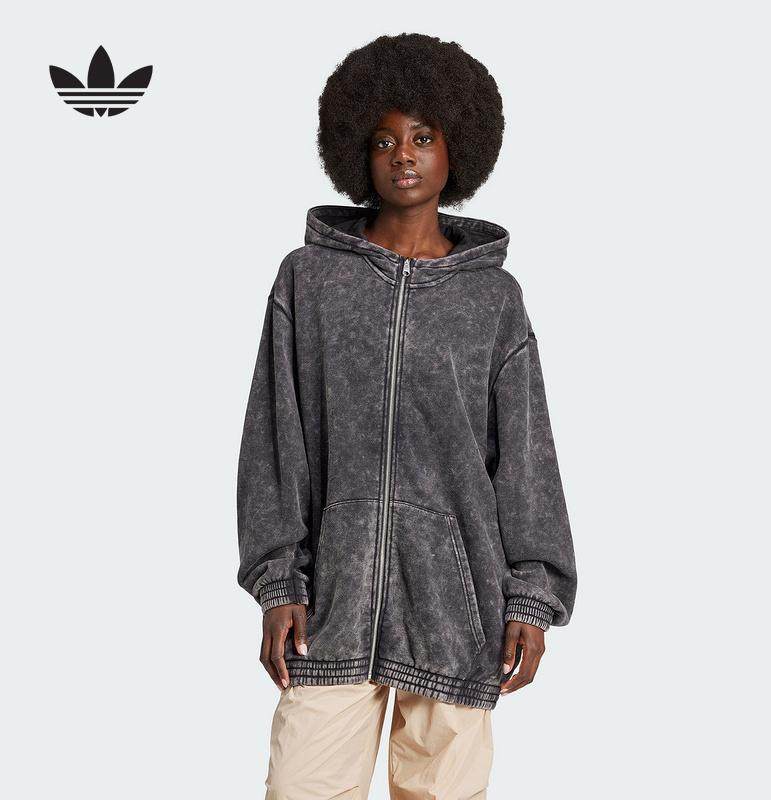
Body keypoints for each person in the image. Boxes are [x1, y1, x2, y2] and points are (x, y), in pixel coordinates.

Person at [236, 32, 577, 799]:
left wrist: (532, 595)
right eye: (384, 140)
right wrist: (279, 583)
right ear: (357, 151)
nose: (404, 156)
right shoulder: (309, 280)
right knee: (301, 785)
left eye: (423, 137)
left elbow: (526, 458)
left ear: (459, 149)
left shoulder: (492, 299)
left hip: (456, 612)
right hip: (332, 606)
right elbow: (274, 441)